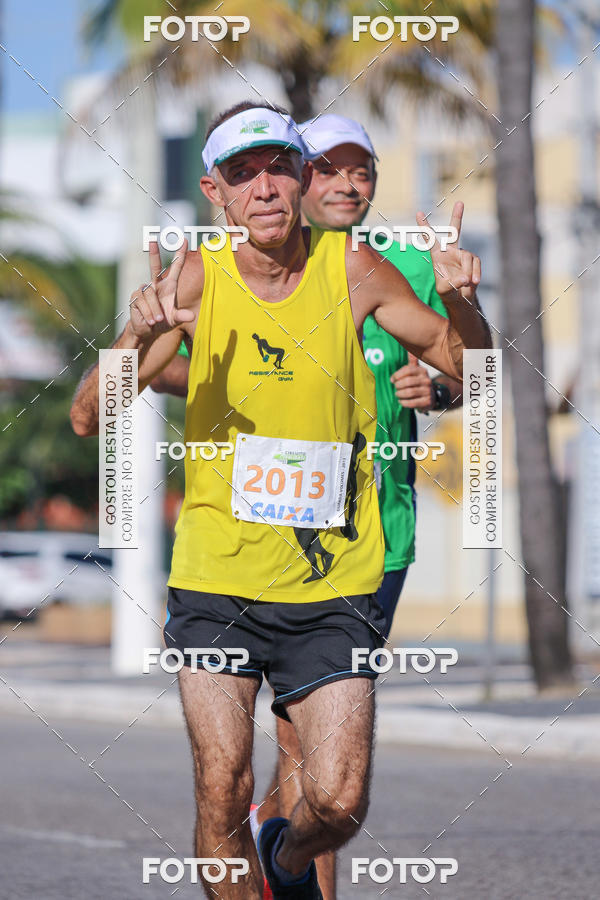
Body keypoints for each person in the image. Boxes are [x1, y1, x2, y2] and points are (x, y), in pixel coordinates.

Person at [71, 101, 490, 899]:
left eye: (277, 167)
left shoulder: (356, 268)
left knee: (335, 801)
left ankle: (288, 858)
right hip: (217, 577)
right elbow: (90, 416)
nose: (262, 187)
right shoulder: (194, 278)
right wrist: (134, 338)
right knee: (221, 786)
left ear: (301, 177)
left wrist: (462, 302)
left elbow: (473, 376)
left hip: (333, 581)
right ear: (215, 194)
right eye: (241, 174)